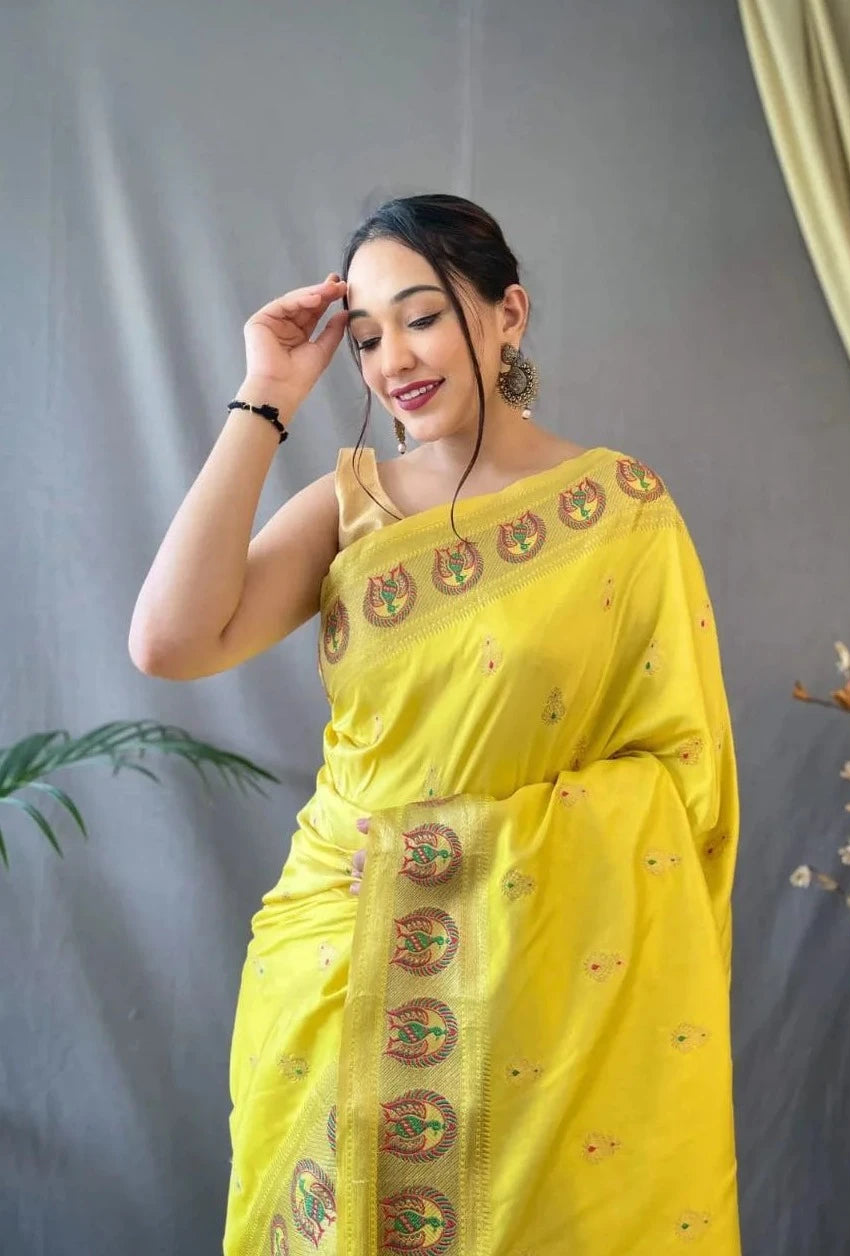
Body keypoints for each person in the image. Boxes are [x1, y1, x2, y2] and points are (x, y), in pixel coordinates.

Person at [129, 193, 741, 1255]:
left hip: (538, 982)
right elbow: (170, 642)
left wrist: (457, 851)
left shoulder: (621, 511)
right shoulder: (350, 503)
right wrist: (265, 396)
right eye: (367, 337)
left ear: (508, 315)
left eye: (421, 317)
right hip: (337, 954)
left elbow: (678, 770)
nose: (393, 360)